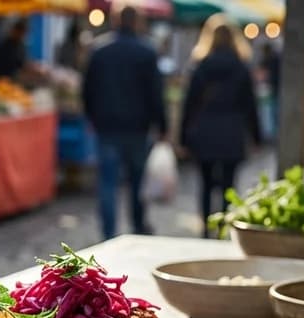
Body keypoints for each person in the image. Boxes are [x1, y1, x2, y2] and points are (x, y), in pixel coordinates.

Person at [82, 5, 166, 239]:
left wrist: (92, 117)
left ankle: (108, 233)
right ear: (137, 22)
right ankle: (138, 227)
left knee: (108, 182)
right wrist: (162, 126)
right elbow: (156, 93)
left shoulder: (99, 50)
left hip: (107, 126)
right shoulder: (146, 52)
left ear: (116, 20)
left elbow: (87, 90)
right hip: (138, 128)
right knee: (137, 181)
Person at [180, 15, 262, 234]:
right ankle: (224, 225)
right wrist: (256, 136)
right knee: (228, 184)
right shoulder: (241, 67)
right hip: (231, 132)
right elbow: (250, 106)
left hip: (205, 131)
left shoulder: (201, 66)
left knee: (205, 184)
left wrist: (183, 137)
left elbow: (189, 104)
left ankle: (206, 226)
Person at [259, 42, 280, 138]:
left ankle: (271, 134)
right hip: (277, 88)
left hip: (268, 89)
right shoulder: (277, 59)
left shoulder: (265, 61)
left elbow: (263, 75)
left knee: (268, 112)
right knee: (274, 112)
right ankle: (275, 132)